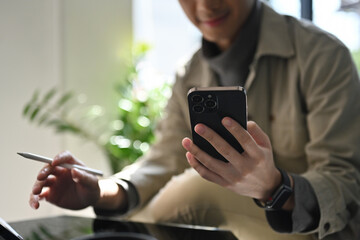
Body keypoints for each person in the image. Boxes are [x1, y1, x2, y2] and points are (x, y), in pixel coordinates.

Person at [29, 0, 360, 239]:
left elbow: (345, 183)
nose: (205, 5)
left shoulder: (321, 55)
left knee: (201, 187)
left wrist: (274, 187)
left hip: (316, 232)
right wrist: (98, 191)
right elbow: (160, 163)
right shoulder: (190, 72)